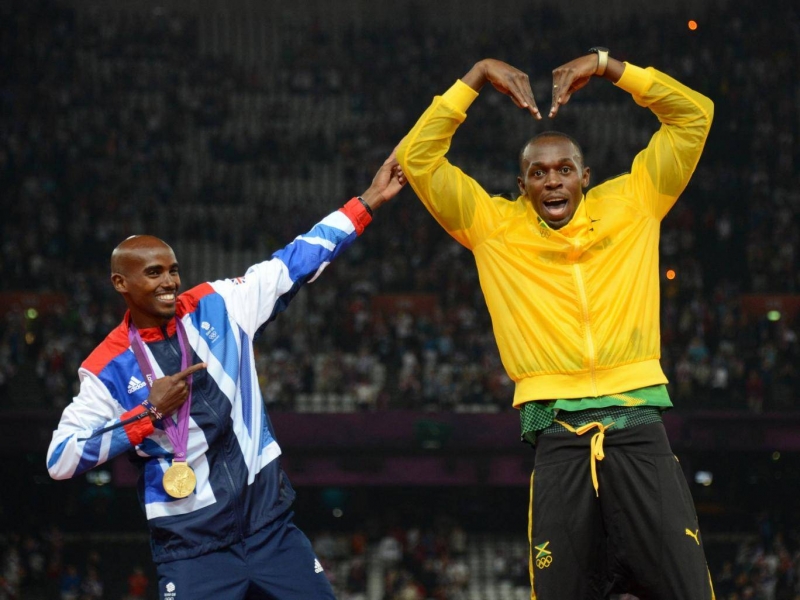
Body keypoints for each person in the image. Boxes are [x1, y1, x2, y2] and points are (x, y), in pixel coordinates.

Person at [396, 50, 715, 599]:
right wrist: (473, 78)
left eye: (564, 169)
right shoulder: (492, 226)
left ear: (585, 177)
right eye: (538, 173)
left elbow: (694, 115)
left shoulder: (635, 202)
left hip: (638, 425)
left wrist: (609, 66)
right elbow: (417, 159)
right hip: (558, 437)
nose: (552, 182)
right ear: (522, 185)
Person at [46, 151, 406, 600]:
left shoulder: (219, 304)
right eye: (153, 273)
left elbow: (294, 260)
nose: (168, 282)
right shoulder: (106, 368)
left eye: (173, 270)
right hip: (191, 551)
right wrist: (149, 413)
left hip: (271, 530)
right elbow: (60, 458)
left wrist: (367, 201)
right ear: (121, 284)